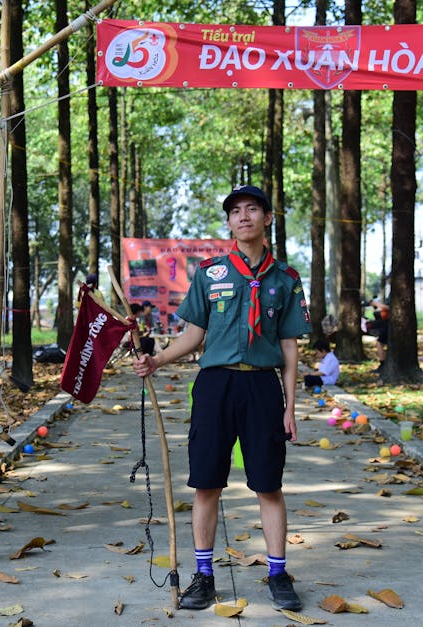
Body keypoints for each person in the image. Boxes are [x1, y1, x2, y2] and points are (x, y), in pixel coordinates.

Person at [132, 184, 311, 612]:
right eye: (235, 211)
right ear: (228, 222)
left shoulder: (286, 279)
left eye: (252, 209)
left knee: (268, 484)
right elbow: (194, 336)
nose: (243, 216)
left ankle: (277, 573)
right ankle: (204, 576)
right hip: (215, 387)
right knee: (206, 482)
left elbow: (289, 346)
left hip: (262, 387)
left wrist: (289, 406)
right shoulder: (211, 273)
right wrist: (157, 361)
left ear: (268, 218)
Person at [367, 299, 389, 368]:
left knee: (379, 342)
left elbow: (389, 307)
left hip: (389, 324)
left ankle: (383, 363)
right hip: (386, 322)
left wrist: (377, 304)